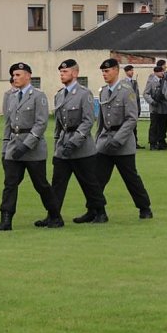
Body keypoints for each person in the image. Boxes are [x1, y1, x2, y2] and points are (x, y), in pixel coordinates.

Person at [0, 62, 58, 232]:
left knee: (41, 185)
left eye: (18, 75)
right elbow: (8, 124)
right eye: (13, 75)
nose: (15, 78)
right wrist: (5, 149)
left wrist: (26, 146)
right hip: (13, 147)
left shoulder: (38, 96)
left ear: (28, 76)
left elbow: (41, 124)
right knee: (10, 184)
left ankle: (55, 216)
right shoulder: (11, 96)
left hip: (33, 149)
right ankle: (6, 220)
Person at [49, 59, 105, 226]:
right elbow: (58, 125)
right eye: (61, 72)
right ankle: (53, 215)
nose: (62, 75)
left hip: (81, 147)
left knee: (89, 183)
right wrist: (57, 147)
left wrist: (74, 142)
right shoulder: (59, 95)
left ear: (75, 73)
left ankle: (99, 212)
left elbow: (88, 121)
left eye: (65, 72)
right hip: (63, 145)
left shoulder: (84, 94)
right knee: (57, 183)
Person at [95, 58, 153, 219]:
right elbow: (101, 120)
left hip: (123, 143)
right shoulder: (103, 91)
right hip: (105, 142)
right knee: (97, 180)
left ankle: (144, 208)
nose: (104, 74)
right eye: (103, 71)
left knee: (131, 178)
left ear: (116, 70)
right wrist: (97, 140)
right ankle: (97, 211)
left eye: (107, 71)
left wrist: (118, 139)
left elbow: (131, 118)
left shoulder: (126, 91)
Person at [143, 66, 167, 150]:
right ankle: (153, 143)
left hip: (163, 107)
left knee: (163, 126)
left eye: (163, 71)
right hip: (155, 107)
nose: (162, 73)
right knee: (154, 126)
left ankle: (161, 142)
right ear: (156, 72)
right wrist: (152, 101)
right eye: (161, 71)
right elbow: (146, 93)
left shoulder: (164, 81)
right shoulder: (151, 81)